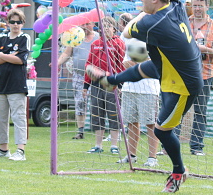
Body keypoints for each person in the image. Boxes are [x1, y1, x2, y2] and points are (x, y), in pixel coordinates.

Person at [86, 0, 203, 193]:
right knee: (141, 69)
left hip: (183, 83)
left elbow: (127, 32)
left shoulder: (154, 22)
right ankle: (110, 80)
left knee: (161, 131)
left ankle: (178, 171)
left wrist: (139, 14)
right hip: (170, 66)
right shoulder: (174, 3)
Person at [0, 9, 30, 160]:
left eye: (18, 22)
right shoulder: (1, 39)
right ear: (7, 23)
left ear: (23, 23)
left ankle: (20, 151)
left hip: (16, 84)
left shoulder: (24, 38)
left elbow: (20, 60)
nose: (15, 25)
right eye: (12, 22)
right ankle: (3, 149)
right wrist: (8, 56)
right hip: (0, 83)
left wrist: (3, 55)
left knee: (18, 117)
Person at [188, 0, 213, 155]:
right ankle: (168, 147)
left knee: (200, 112)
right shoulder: (184, 23)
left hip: (205, 74)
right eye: (194, 6)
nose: (197, 9)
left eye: (200, 6)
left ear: (207, 7)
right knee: (176, 110)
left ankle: (196, 147)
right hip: (184, 74)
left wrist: (205, 50)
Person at [84, 16, 125, 155]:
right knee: (97, 114)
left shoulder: (119, 43)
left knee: (113, 114)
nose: (105, 28)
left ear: (114, 28)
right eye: (103, 26)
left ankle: (114, 145)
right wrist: (86, 85)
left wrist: (120, 84)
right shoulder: (95, 43)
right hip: (96, 84)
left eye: (108, 26)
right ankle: (98, 145)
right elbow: (89, 64)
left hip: (112, 84)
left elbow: (121, 65)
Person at [118, 36, 160, 167]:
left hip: (149, 90)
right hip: (129, 88)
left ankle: (152, 158)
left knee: (151, 123)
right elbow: (126, 64)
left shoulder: (154, 41)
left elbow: (154, 65)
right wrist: (142, 64)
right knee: (131, 123)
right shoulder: (131, 42)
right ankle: (131, 155)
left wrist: (139, 65)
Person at [57, 20, 99, 139]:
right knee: (80, 103)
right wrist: (57, 63)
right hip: (79, 76)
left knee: (98, 103)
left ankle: (100, 130)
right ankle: (80, 131)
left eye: (87, 24)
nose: (85, 26)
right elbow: (66, 53)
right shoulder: (75, 36)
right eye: (83, 24)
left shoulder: (98, 38)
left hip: (96, 77)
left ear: (93, 25)